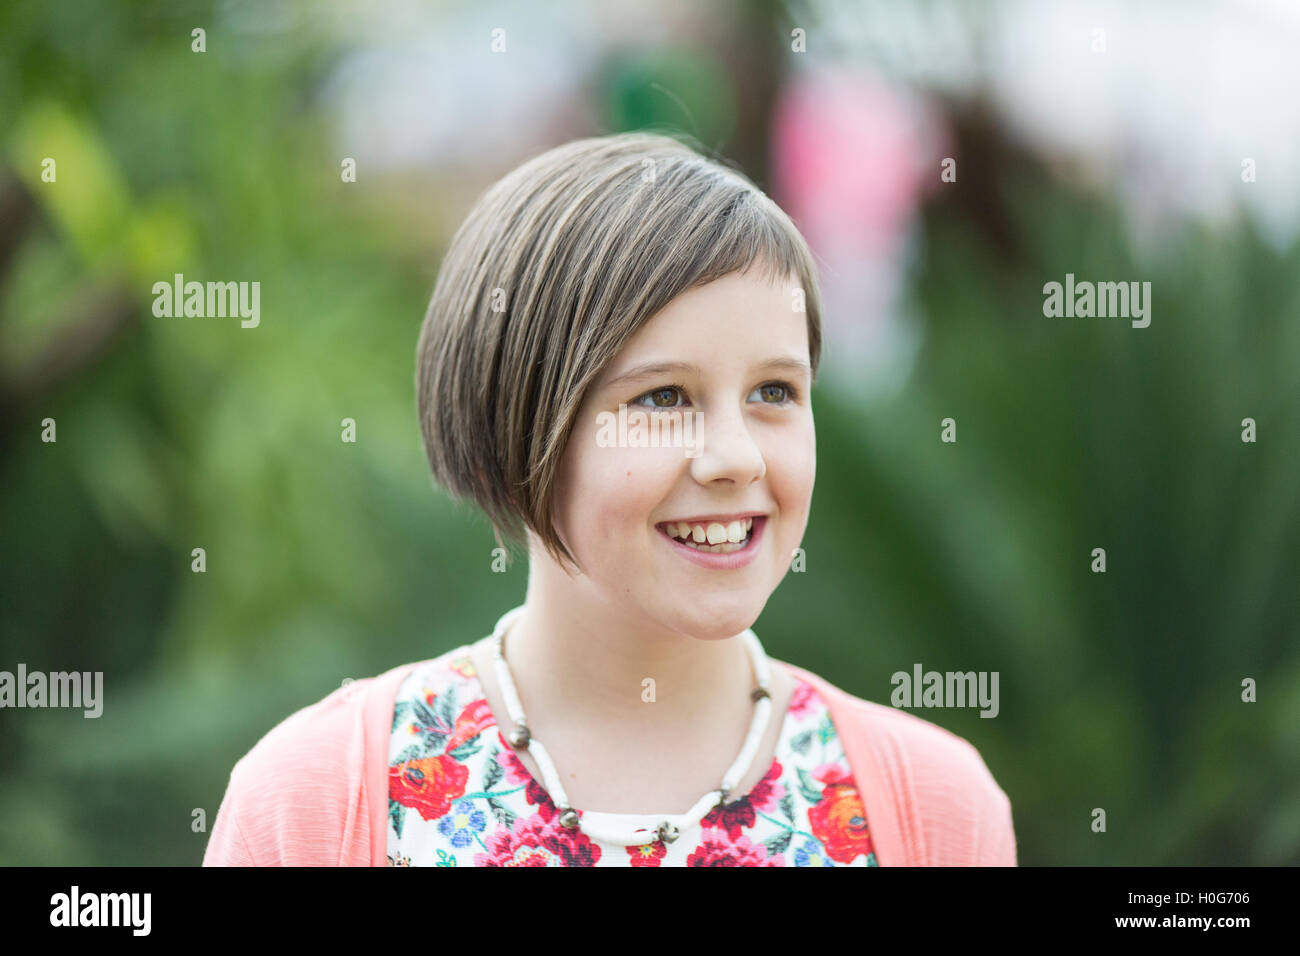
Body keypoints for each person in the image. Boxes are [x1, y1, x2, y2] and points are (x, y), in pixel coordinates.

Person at [203, 130, 1016, 867]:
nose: (735, 457)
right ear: (514, 414)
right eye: (663, 398)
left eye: (774, 390)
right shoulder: (318, 803)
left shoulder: (932, 812)